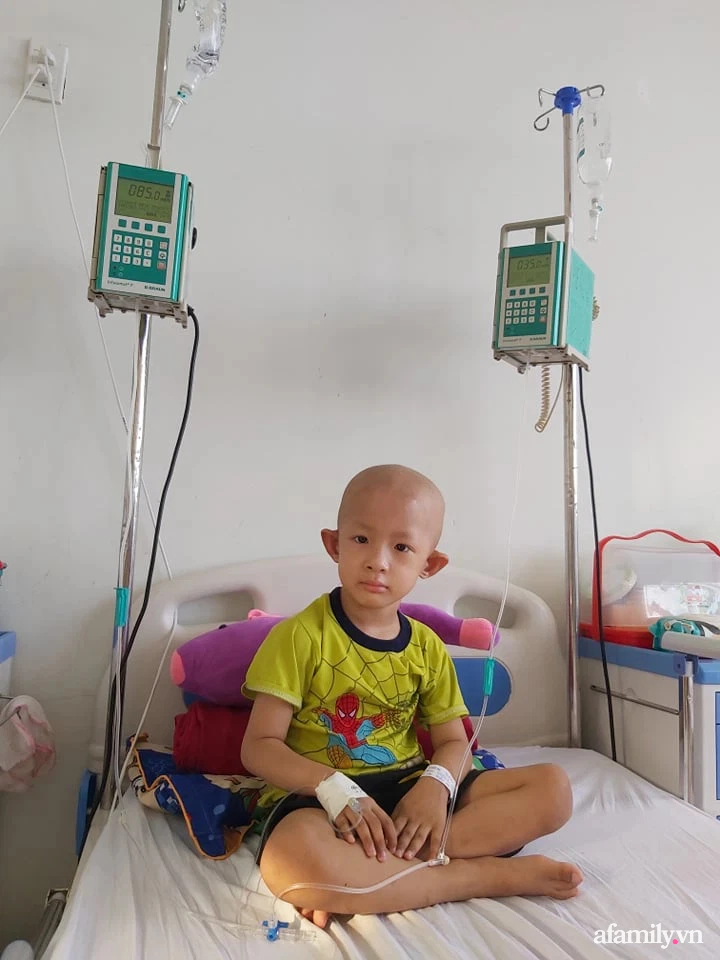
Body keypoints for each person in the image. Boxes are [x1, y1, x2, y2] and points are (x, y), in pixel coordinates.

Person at [241, 465, 582, 928]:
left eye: (401, 547)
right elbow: (259, 747)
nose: (378, 561)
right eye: (361, 539)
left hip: (412, 791)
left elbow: (455, 743)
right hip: (320, 798)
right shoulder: (297, 637)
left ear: (429, 564)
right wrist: (333, 788)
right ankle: (482, 876)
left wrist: (435, 788)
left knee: (553, 790)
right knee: (290, 859)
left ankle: (365, 877)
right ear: (334, 544)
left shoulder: (427, 648)